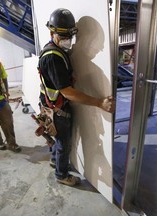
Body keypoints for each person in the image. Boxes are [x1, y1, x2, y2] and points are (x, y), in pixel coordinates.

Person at [38, 8, 115, 186]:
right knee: (64, 143)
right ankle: (62, 175)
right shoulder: (53, 57)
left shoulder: (54, 49)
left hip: (50, 105)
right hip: (57, 109)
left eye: (69, 36)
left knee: (58, 140)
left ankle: (54, 160)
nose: (67, 40)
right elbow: (68, 92)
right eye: (63, 36)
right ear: (52, 32)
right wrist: (99, 102)